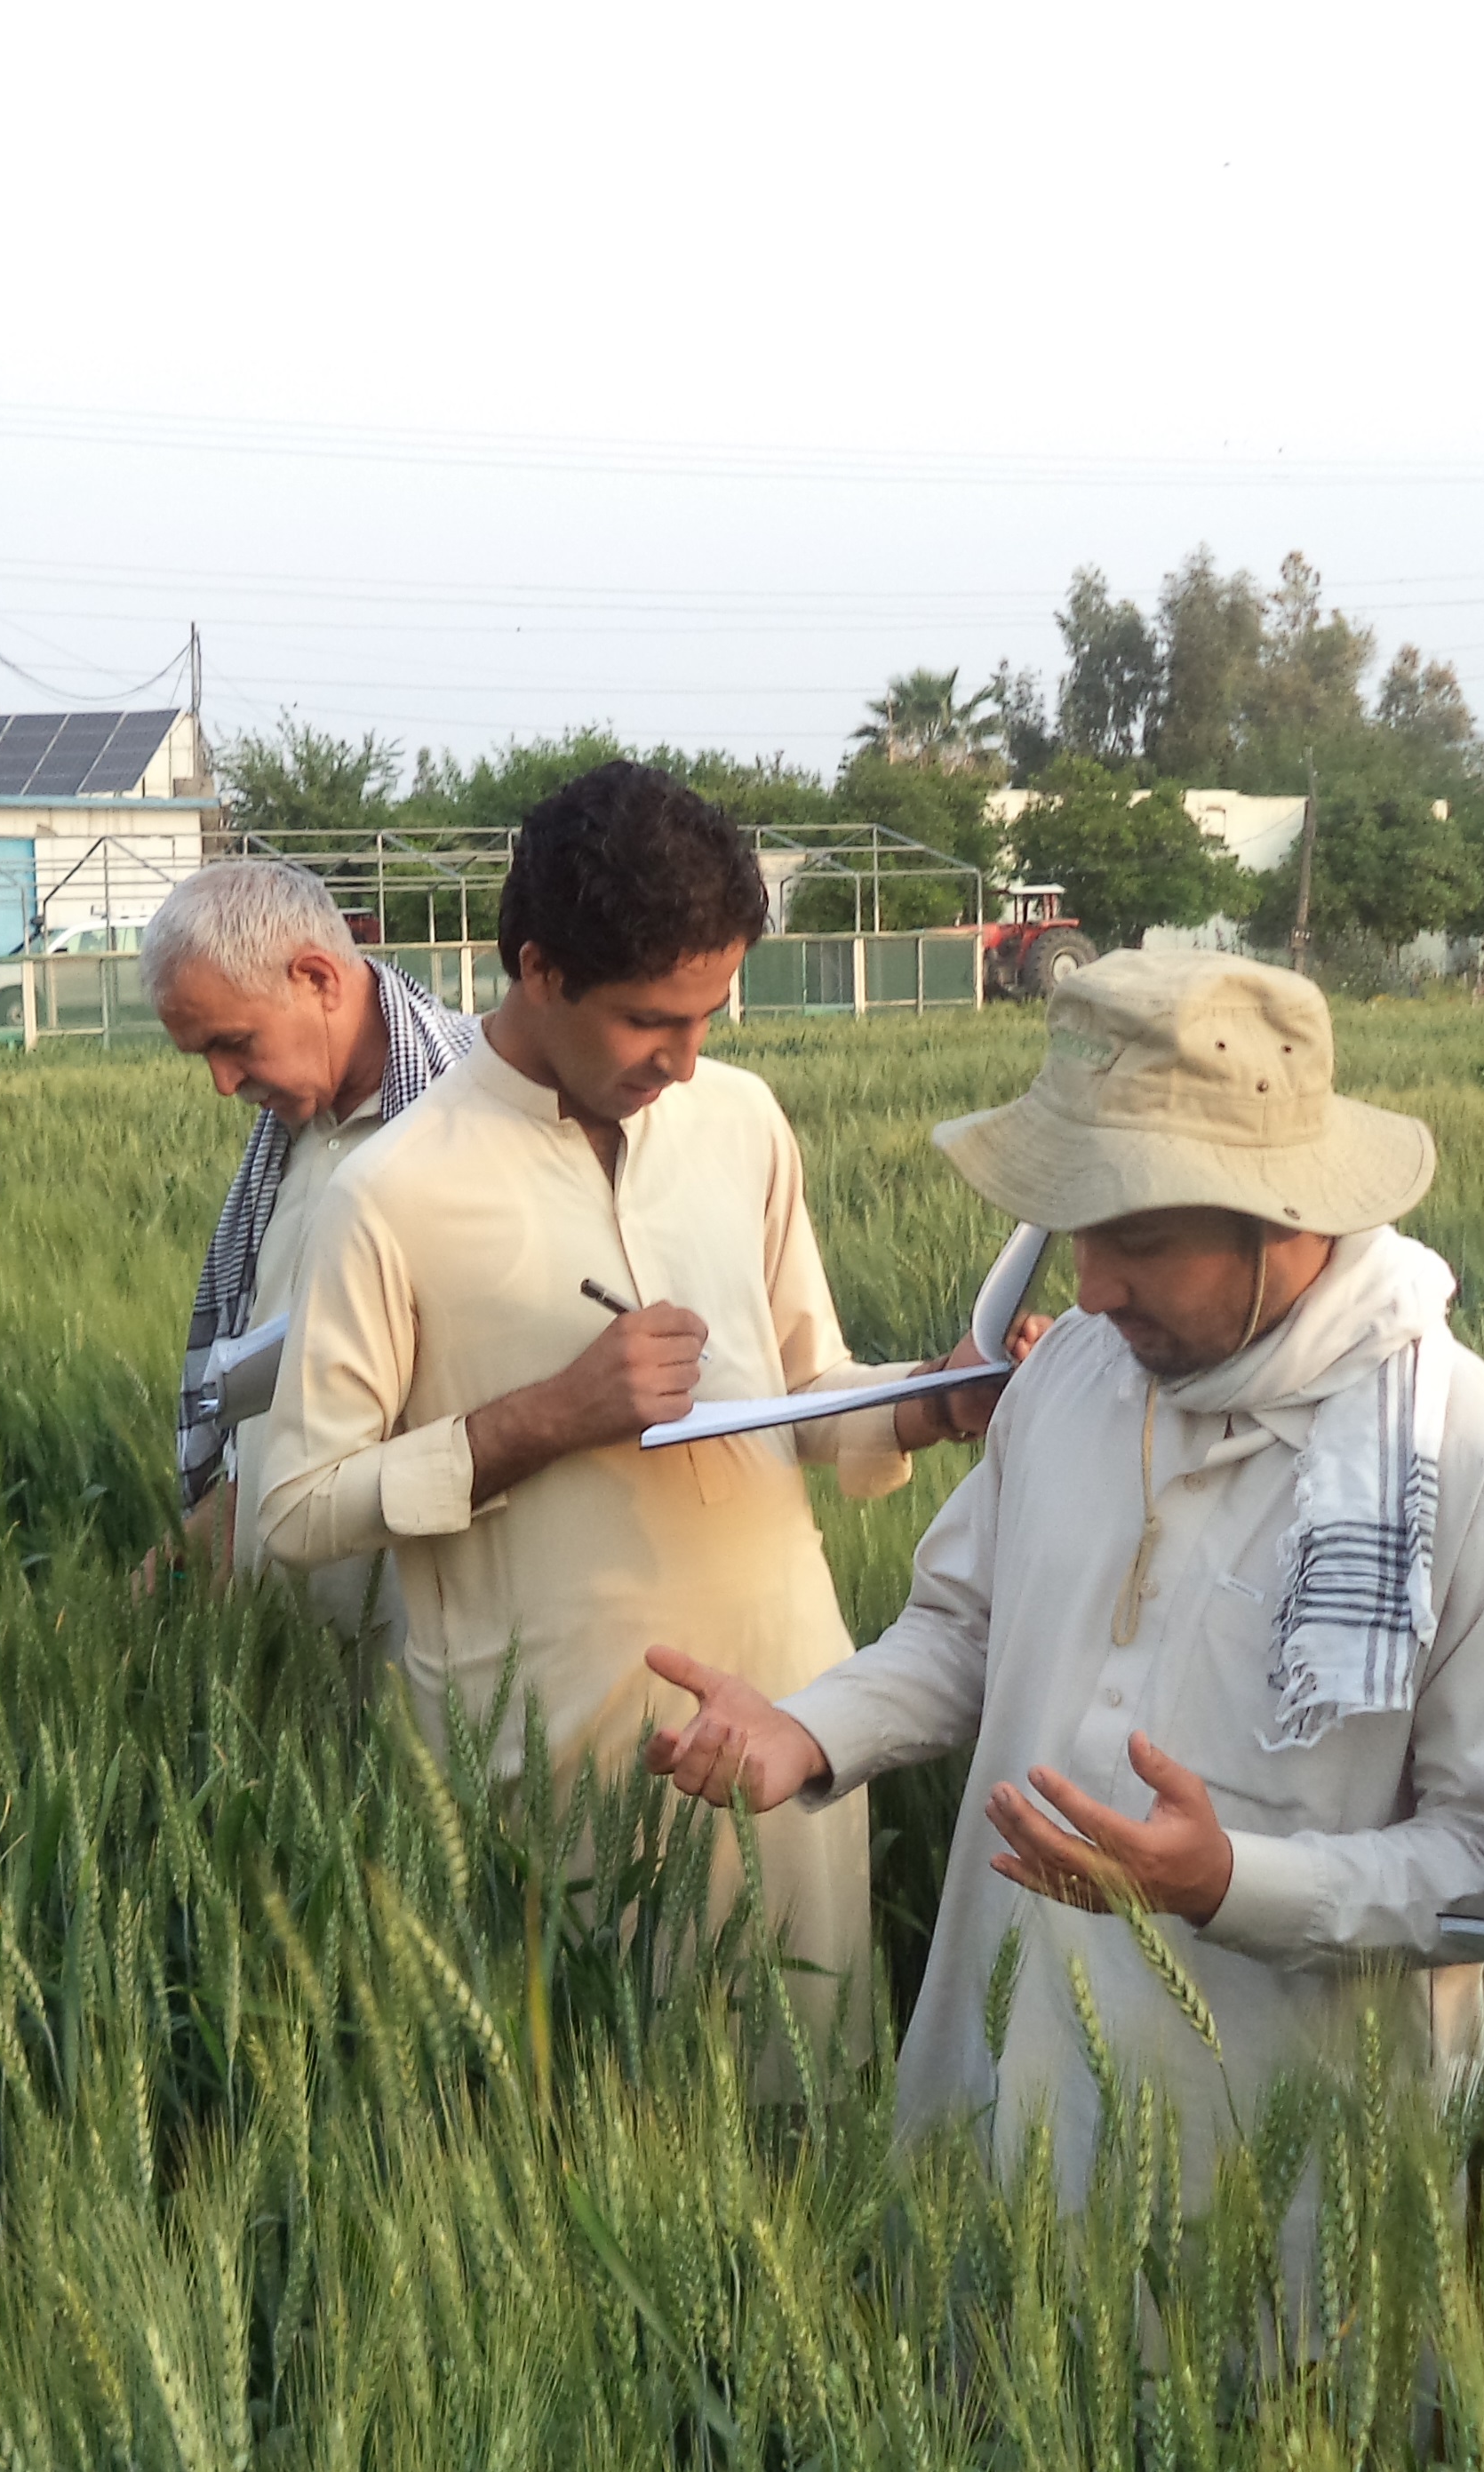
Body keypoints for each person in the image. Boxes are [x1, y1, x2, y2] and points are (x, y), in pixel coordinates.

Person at [640, 951, 1484, 2187]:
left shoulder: (1481, 1473)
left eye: (1138, 1239)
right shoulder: (1076, 1377)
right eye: (1077, 1237)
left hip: (1274, 2168)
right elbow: (965, 1630)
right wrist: (811, 1732)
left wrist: (1231, 1884)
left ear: (1285, 1210)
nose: (1092, 1289)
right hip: (1000, 2083)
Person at [251, 762, 980, 2051]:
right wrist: (545, 1416)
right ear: (539, 969)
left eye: (710, 1015)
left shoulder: (743, 1122)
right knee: (589, 2114)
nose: (688, 1061)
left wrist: (932, 1401)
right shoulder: (393, 1192)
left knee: (809, 2090)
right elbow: (298, 1508)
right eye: (653, 1021)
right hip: (550, 1761)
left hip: (789, 1708)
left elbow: (803, 1391)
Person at [144, 859, 475, 1661]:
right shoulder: (291, 1133)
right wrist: (210, 1524)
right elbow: (274, 1384)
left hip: (425, 1657)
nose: (223, 1084)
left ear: (317, 976)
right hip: (281, 1647)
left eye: (233, 1043)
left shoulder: (476, 1112)